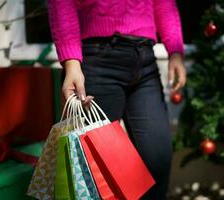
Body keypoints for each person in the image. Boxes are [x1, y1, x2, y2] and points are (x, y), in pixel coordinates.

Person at [47, 0, 186, 199]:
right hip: (97, 60)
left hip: (145, 60)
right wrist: (71, 63)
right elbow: (61, 4)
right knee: (97, 173)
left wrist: (175, 50)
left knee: (158, 158)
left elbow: (164, 3)